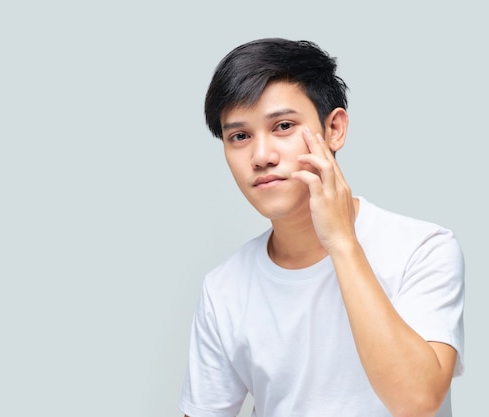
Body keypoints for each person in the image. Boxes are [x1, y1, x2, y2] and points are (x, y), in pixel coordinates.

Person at [179, 38, 465, 417]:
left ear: (335, 129)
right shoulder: (223, 288)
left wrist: (342, 242)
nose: (261, 157)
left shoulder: (423, 249)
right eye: (240, 136)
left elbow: (417, 402)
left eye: (283, 126)